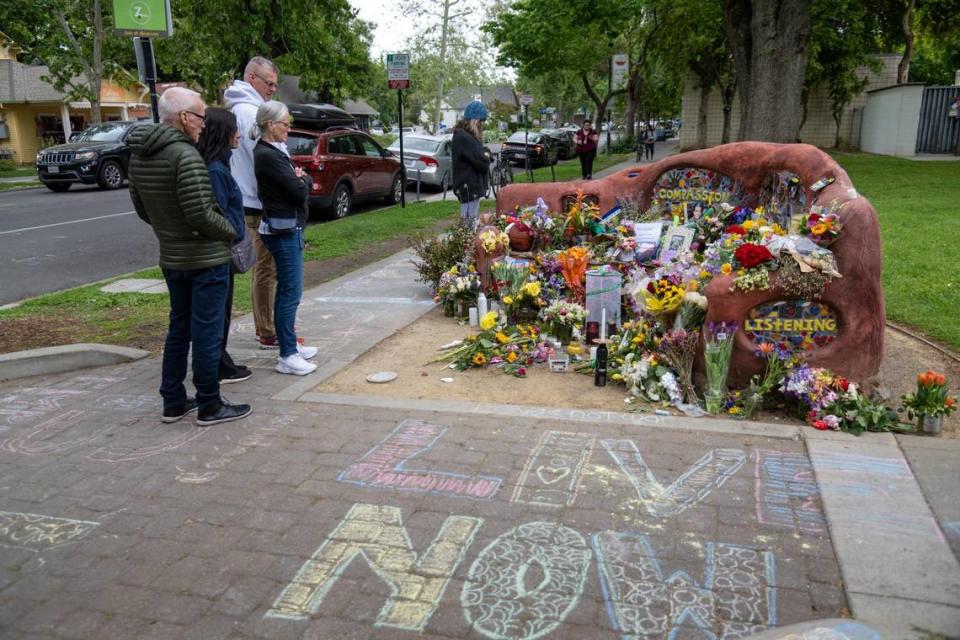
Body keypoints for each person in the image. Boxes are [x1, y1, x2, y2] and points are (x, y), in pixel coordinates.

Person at [127, 87, 252, 426]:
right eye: (199, 117)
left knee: (178, 329)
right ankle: (210, 404)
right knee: (207, 333)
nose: (203, 125)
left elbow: (142, 209)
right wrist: (232, 231)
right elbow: (201, 213)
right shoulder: (185, 156)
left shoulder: (140, 156)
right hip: (205, 260)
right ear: (184, 118)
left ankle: (173, 401)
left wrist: (171, 230)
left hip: (172, 257)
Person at [252, 101, 319, 376]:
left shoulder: (276, 151)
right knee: (290, 292)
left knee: (289, 292)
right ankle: (287, 355)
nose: (289, 130)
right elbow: (299, 190)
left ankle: (290, 345)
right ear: (270, 125)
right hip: (282, 230)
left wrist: (301, 179)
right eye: (285, 124)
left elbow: (302, 182)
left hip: (289, 226)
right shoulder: (267, 154)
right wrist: (301, 180)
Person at [224, 56, 287, 349]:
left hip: (250, 198)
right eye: (269, 83)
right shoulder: (250, 113)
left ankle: (267, 325)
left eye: (275, 83)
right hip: (255, 202)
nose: (273, 89)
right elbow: (263, 159)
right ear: (252, 78)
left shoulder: (241, 109)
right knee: (265, 266)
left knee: (265, 266)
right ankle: (266, 328)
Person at [196, 107, 252, 384]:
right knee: (217, 314)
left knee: (222, 312)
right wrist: (235, 232)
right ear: (223, 133)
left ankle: (220, 359)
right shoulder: (216, 170)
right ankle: (217, 365)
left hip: (221, 250)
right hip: (219, 252)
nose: (239, 135)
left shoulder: (220, 164)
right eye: (235, 129)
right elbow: (216, 212)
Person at [451, 100, 490, 230]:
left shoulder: (465, 136)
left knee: (469, 223)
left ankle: (465, 246)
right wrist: (486, 156)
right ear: (474, 120)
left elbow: (479, 152)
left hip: (469, 186)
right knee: (468, 226)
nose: (481, 125)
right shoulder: (464, 137)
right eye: (481, 121)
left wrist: (485, 153)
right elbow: (482, 163)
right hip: (468, 187)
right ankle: (465, 248)